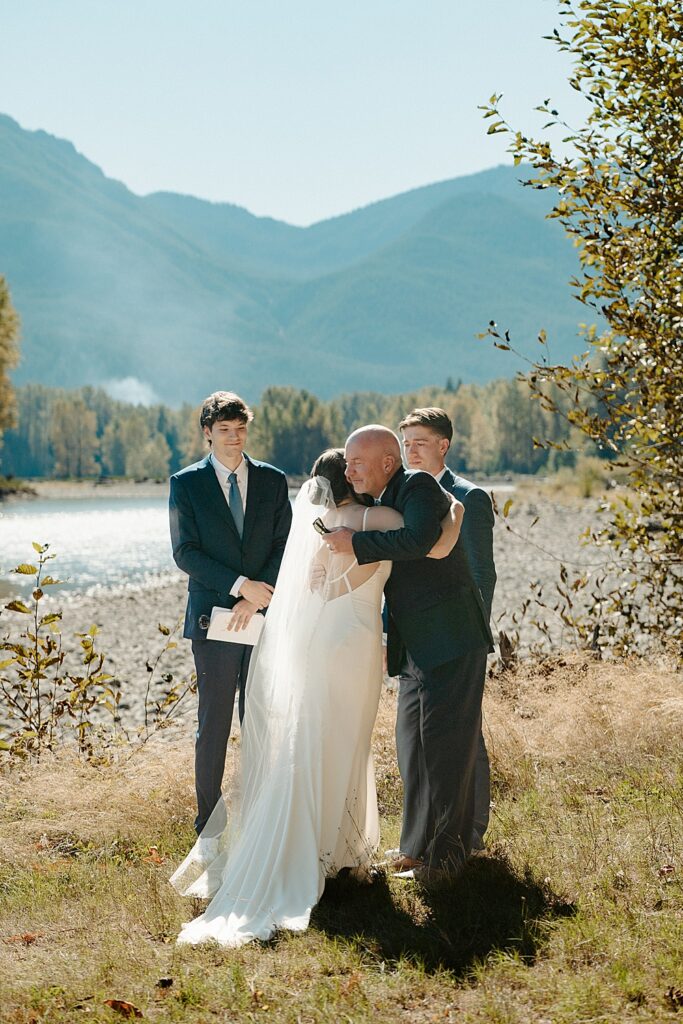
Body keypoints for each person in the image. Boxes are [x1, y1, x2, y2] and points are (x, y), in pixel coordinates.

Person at [170, 450, 462, 946]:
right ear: (347, 479)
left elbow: (311, 585)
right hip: (355, 642)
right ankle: (334, 850)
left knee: (315, 740)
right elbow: (432, 544)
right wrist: (454, 509)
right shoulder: (378, 518)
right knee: (347, 743)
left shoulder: (321, 524)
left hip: (323, 640)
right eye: (353, 467)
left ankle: (323, 848)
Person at [325, 426, 493, 882]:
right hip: (416, 645)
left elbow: (421, 540)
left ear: (387, 462)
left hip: (450, 638)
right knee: (413, 750)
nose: (349, 469)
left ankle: (448, 859)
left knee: (445, 749)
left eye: (358, 461)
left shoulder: (418, 486)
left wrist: (354, 545)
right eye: (347, 462)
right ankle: (416, 849)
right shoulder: (380, 504)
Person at [169, 391, 292, 839]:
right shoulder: (185, 484)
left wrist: (259, 596)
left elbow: (285, 545)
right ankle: (209, 825)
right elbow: (185, 553)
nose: (234, 438)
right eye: (224, 430)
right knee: (215, 723)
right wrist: (240, 587)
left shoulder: (273, 481)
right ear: (208, 433)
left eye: (240, 429)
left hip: (267, 616)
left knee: (261, 717)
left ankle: (262, 817)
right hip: (213, 619)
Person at [399, 407, 496, 852]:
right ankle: (423, 839)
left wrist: (468, 638)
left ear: (444, 445)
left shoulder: (468, 497)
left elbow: (480, 573)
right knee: (419, 743)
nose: (411, 449)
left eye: (420, 441)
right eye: (406, 442)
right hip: (413, 640)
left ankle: (471, 831)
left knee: (464, 735)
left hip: (456, 638)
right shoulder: (400, 494)